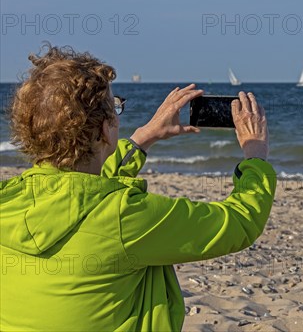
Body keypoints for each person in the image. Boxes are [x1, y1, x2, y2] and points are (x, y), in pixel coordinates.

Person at [0, 44, 276, 331]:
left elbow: (81, 189)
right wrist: (255, 156)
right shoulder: (124, 216)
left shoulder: (7, 202)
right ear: (106, 129)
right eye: (115, 106)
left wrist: (143, 138)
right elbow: (239, 222)